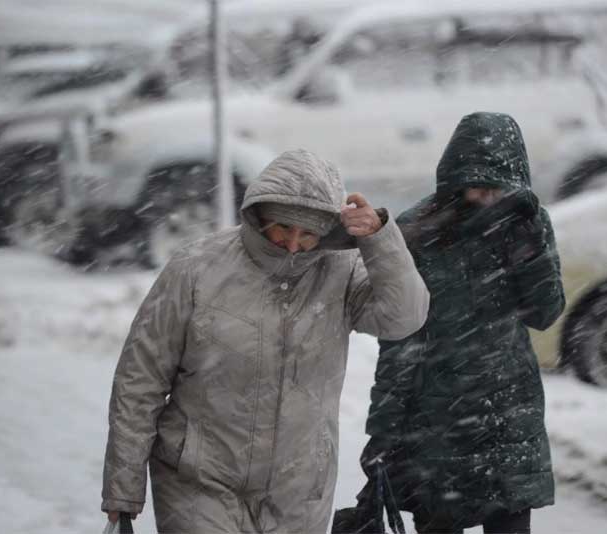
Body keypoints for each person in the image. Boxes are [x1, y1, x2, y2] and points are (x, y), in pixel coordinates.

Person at [101, 149, 430, 532]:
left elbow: (405, 317)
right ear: (258, 215)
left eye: (307, 233)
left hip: (298, 490)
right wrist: (123, 488)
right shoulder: (195, 269)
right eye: (282, 228)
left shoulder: (340, 271)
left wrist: (379, 240)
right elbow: (140, 380)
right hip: (198, 482)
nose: (293, 244)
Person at [360, 112, 565, 534]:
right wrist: (381, 433)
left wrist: (528, 244)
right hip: (434, 425)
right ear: (453, 178)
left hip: (507, 417)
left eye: (498, 186)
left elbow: (545, 313)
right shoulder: (417, 233)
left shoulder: (526, 222)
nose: (488, 197)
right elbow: (399, 341)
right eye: (478, 185)